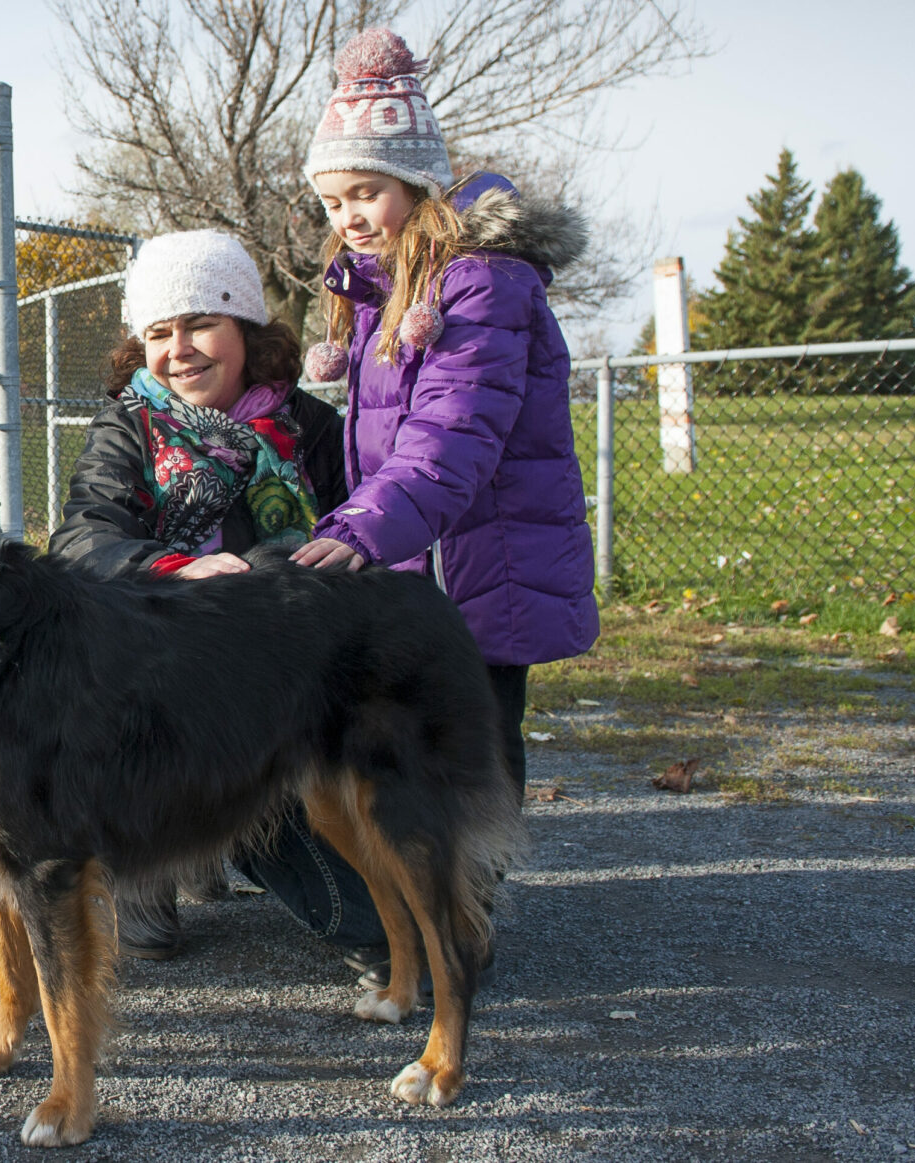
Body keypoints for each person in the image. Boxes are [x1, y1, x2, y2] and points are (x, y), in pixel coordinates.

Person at [264, 26, 600, 986]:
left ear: (418, 181)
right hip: (419, 560)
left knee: (474, 751)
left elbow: (450, 442)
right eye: (333, 200)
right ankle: (435, 910)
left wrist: (360, 533)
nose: (349, 216)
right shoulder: (378, 294)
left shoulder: (480, 284)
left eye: (365, 192)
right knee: (416, 751)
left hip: (482, 566)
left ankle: (464, 930)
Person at [44, 228, 349, 959]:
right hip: (163, 657)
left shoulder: (308, 426)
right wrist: (176, 567)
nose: (178, 348)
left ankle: (232, 846)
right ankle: (145, 876)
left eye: (201, 324)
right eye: (159, 331)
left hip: (283, 657)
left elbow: (352, 523)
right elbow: (84, 536)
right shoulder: (130, 426)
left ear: (245, 328)